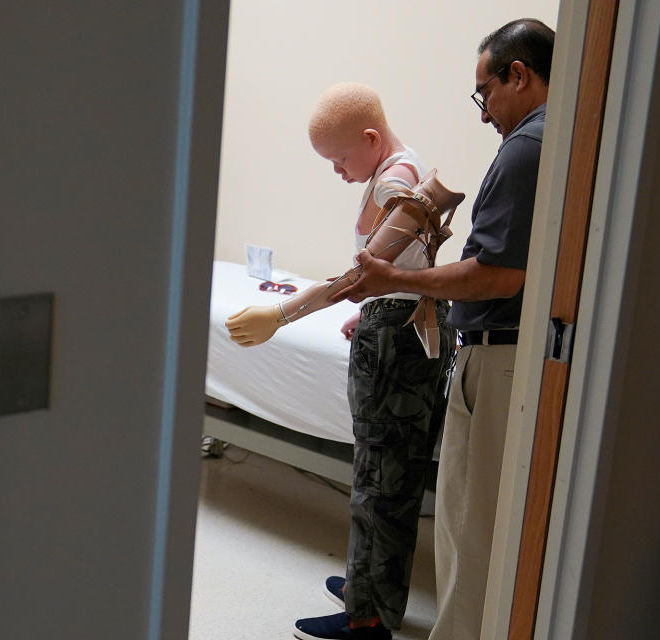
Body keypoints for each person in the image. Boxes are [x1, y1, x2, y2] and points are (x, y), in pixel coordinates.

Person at [331, 19, 555, 640]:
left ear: (519, 74)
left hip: (491, 352)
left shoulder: (526, 149)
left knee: (461, 520)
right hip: (479, 344)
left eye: (484, 94)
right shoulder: (549, 142)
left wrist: (390, 286)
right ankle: (370, 588)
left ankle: (385, 608)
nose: (483, 114)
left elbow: (497, 274)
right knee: (451, 508)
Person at [224, 82, 462, 640]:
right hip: (406, 325)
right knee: (389, 475)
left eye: (338, 159)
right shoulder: (401, 169)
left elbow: (357, 275)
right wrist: (378, 305)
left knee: (378, 480)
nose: (337, 172)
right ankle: (371, 588)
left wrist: (280, 314)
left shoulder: (396, 180)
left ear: (371, 138)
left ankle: (367, 618)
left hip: (398, 344)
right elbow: (398, 270)